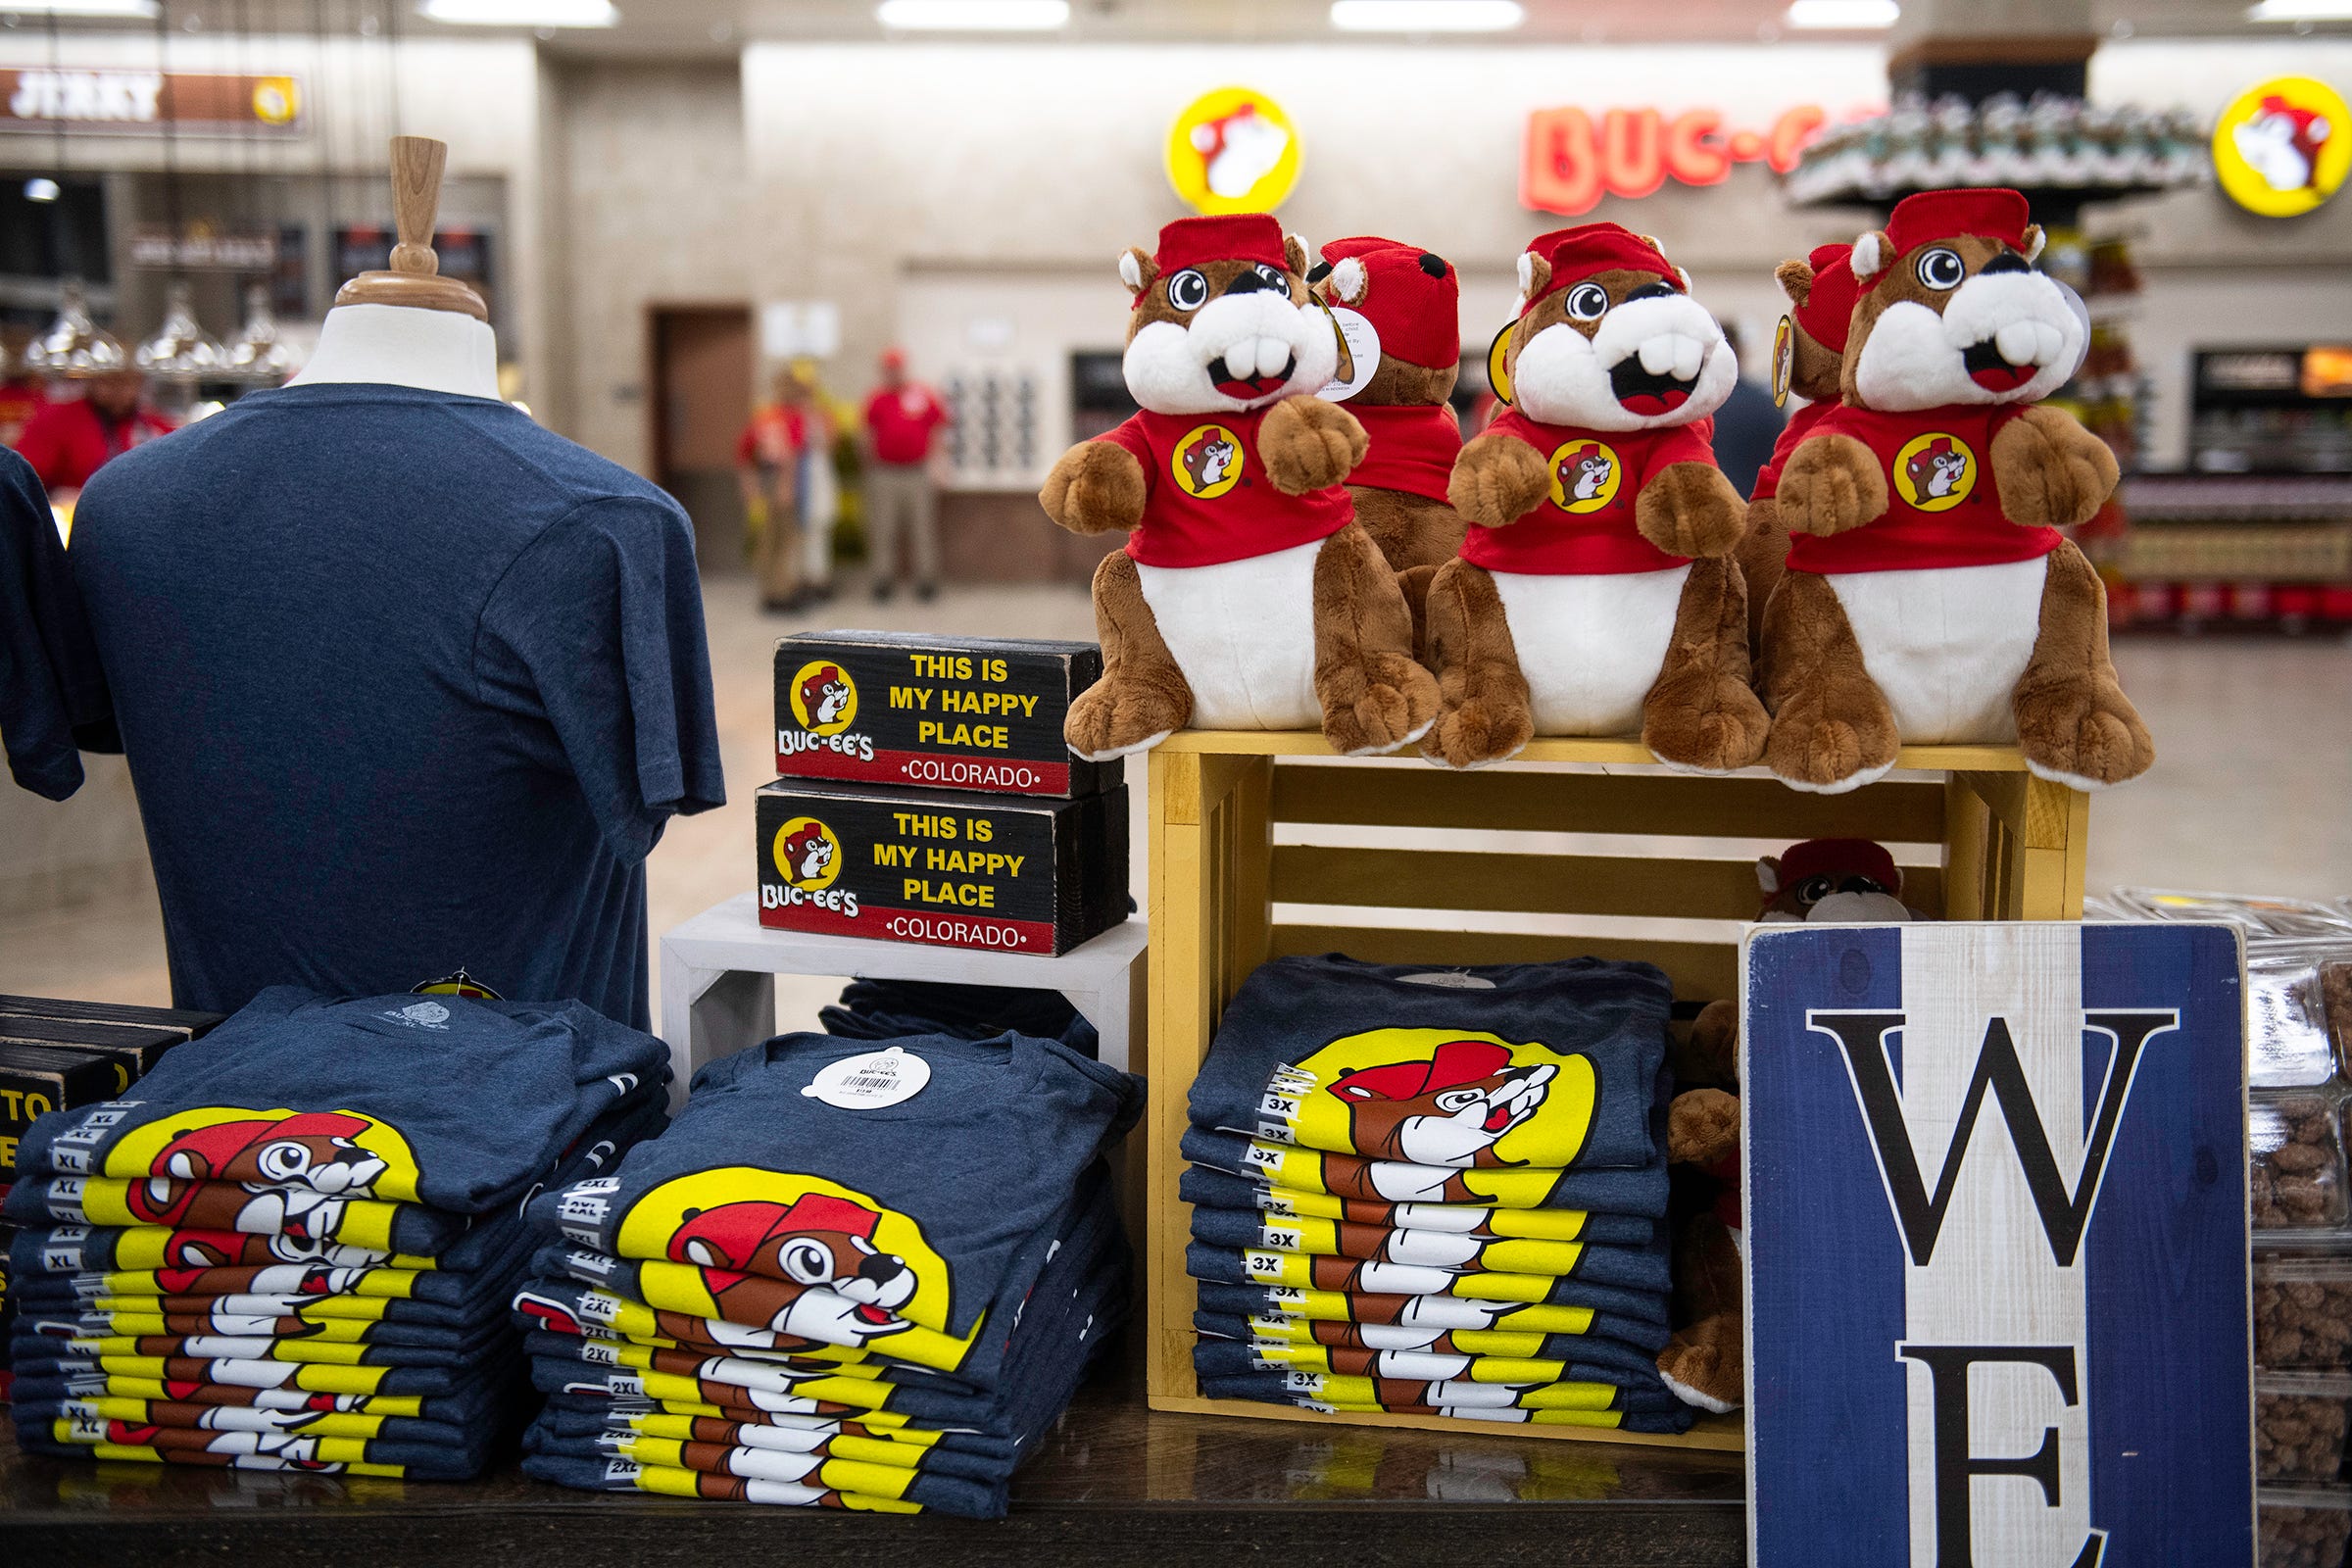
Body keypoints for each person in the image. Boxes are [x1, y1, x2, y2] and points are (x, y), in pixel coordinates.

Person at [860, 347, 950, 603]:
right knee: (883, 527)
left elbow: (938, 429)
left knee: (923, 526)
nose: (893, 373)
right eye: (889, 368)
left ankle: (926, 579)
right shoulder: (876, 399)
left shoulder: (921, 394)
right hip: (885, 472)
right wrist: (868, 467)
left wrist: (939, 465)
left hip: (918, 471)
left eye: (897, 367)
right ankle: (882, 579)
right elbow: (868, 434)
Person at [736, 367, 825, 612]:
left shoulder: (771, 416)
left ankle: (777, 588)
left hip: (775, 479)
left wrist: (751, 482)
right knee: (779, 539)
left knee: (777, 538)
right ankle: (778, 591)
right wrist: (782, 486)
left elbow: (745, 451)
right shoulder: (780, 417)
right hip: (780, 479)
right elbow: (788, 455)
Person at [14, 369, 176, 500]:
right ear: (91, 378)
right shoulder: (56, 419)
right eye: (108, 381)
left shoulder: (156, 426)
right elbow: (22, 480)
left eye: (127, 382)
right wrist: (55, 494)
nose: (118, 392)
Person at [1709, 324, 1785, 501]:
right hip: (1758, 509)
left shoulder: (1698, 412)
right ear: (1740, 354)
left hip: (1710, 512)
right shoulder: (1767, 405)